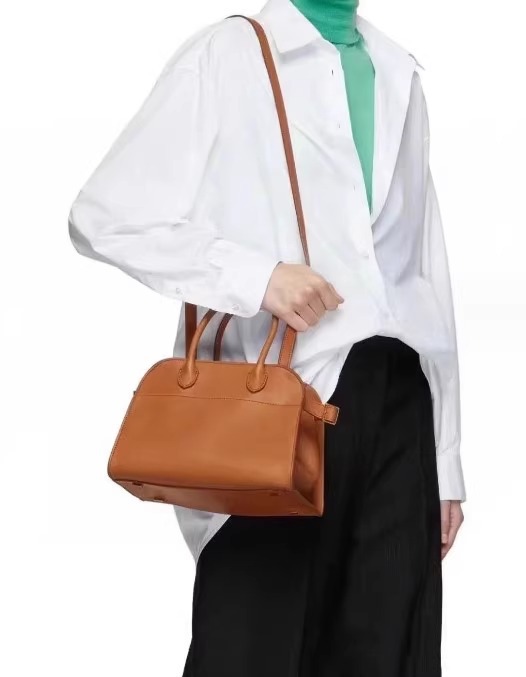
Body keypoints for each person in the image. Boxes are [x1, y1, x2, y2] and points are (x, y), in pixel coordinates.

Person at [67, 0, 466, 674]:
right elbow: (105, 215)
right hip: (275, 405)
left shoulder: (399, 73)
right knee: (256, 649)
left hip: (401, 401)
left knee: (390, 651)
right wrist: (258, 277)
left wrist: (445, 457)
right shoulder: (230, 54)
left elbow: (426, 269)